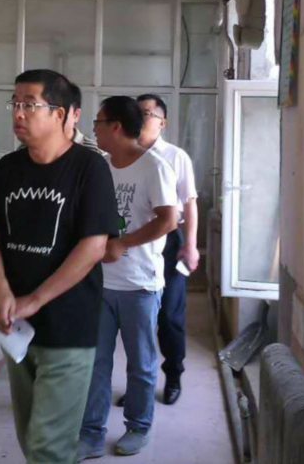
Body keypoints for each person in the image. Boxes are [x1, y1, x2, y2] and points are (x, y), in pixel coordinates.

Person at [0, 69, 120, 464]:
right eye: (15, 103)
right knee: (30, 437)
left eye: (30, 105)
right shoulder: (8, 168)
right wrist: (1, 291)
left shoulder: (89, 168)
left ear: (61, 114)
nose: (18, 113)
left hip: (68, 325)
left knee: (48, 446)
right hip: (17, 326)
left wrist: (36, 299)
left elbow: (93, 247)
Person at [78, 96, 179, 460]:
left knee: (141, 364)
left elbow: (169, 219)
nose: (93, 129)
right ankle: (91, 432)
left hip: (140, 284)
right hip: (100, 283)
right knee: (96, 362)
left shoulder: (155, 167)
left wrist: (123, 243)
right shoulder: (102, 167)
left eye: (98, 122)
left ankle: (138, 426)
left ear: (116, 126)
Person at [136, 94, 199, 406]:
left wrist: (191, 244)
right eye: (137, 112)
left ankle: (173, 375)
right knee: (137, 317)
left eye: (147, 113)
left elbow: (189, 203)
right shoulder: (124, 155)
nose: (141, 118)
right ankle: (139, 383)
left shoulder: (176, 156)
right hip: (135, 240)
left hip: (169, 241)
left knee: (169, 315)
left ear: (162, 122)